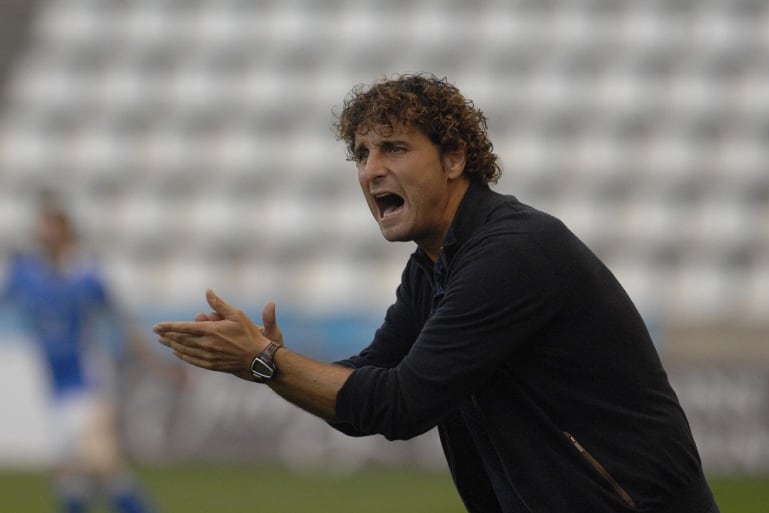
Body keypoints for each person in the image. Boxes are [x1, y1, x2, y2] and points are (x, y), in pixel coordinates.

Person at [154, 73, 720, 513]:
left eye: (394, 148)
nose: (371, 169)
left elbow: (400, 403)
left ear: (454, 159)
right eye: (361, 153)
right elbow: (366, 386)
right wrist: (261, 359)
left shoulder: (511, 252)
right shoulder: (431, 266)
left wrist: (266, 361)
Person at [1, 194, 159, 513]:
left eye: (53, 229)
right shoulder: (24, 275)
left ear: (66, 234)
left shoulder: (86, 277)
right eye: (43, 229)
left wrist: (153, 362)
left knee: (103, 463)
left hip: (90, 383)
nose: (46, 236)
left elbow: (120, 318)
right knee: (71, 477)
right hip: (56, 389)